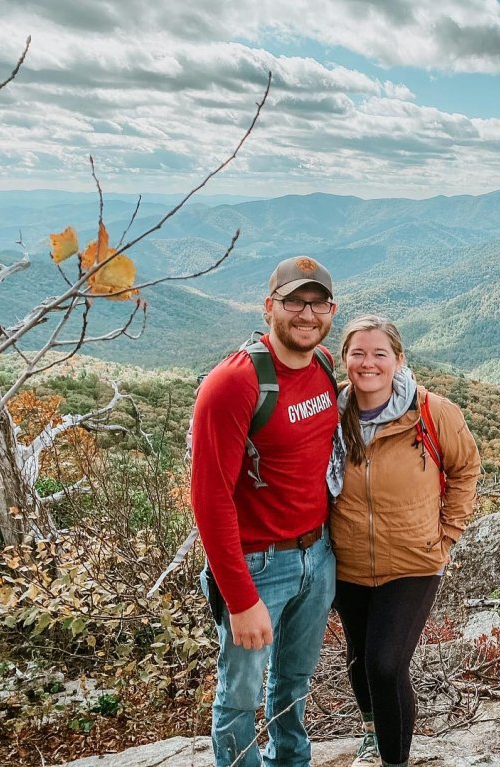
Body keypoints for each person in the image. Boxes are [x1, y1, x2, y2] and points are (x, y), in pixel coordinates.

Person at [191, 256, 340, 767]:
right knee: (240, 696)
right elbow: (209, 499)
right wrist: (239, 599)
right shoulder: (233, 384)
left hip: (317, 557)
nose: (306, 313)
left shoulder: (322, 365)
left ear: (331, 310)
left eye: (317, 302)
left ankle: (290, 761)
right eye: (294, 301)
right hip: (258, 565)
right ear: (268, 306)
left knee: (294, 684)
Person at [329, 315, 481, 767]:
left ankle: (394, 761)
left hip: (414, 562)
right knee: (360, 660)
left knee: (386, 664)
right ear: (345, 359)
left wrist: (446, 535)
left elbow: (466, 470)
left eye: (380, 353)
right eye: (358, 353)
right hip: (348, 562)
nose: (368, 363)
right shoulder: (333, 415)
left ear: (399, 360)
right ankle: (373, 731)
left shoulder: (433, 413)